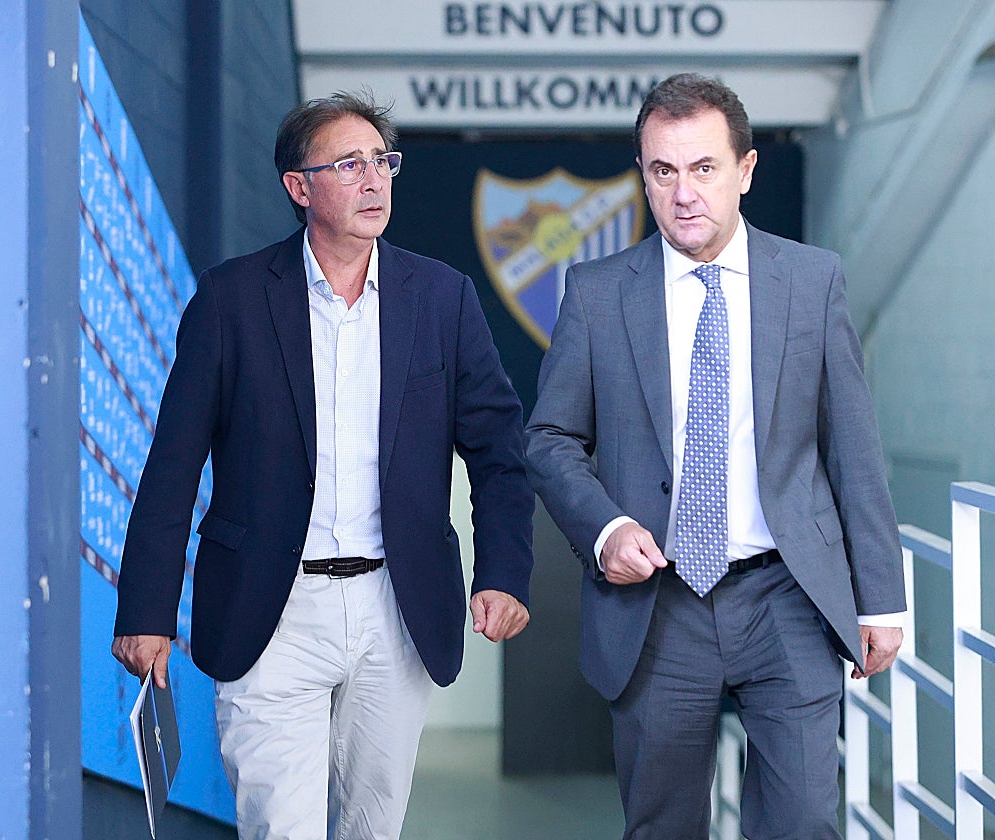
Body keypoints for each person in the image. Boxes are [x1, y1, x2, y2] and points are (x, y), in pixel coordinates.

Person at [112, 90, 533, 840]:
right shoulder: (232, 299)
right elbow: (174, 461)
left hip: (394, 609)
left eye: (383, 162)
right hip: (271, 610)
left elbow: (500, 452)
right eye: (349, 164)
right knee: (283, 827)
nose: (374, 181)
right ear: (299, 188)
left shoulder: (442, 298)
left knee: (373, 829)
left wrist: (502, 570)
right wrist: (147, 608)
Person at [525, 73, 906, 839]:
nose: (684, 192)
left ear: (746, 171)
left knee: (801, 821)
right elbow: (550, 437)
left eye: (704, 168)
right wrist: (604, 530)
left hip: (787, 596)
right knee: (662, 826)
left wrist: (882, 597)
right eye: (663, 171)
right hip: (657, 609)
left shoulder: (810, 280)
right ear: (644, 176)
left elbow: (852, 446)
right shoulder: (598, 293)